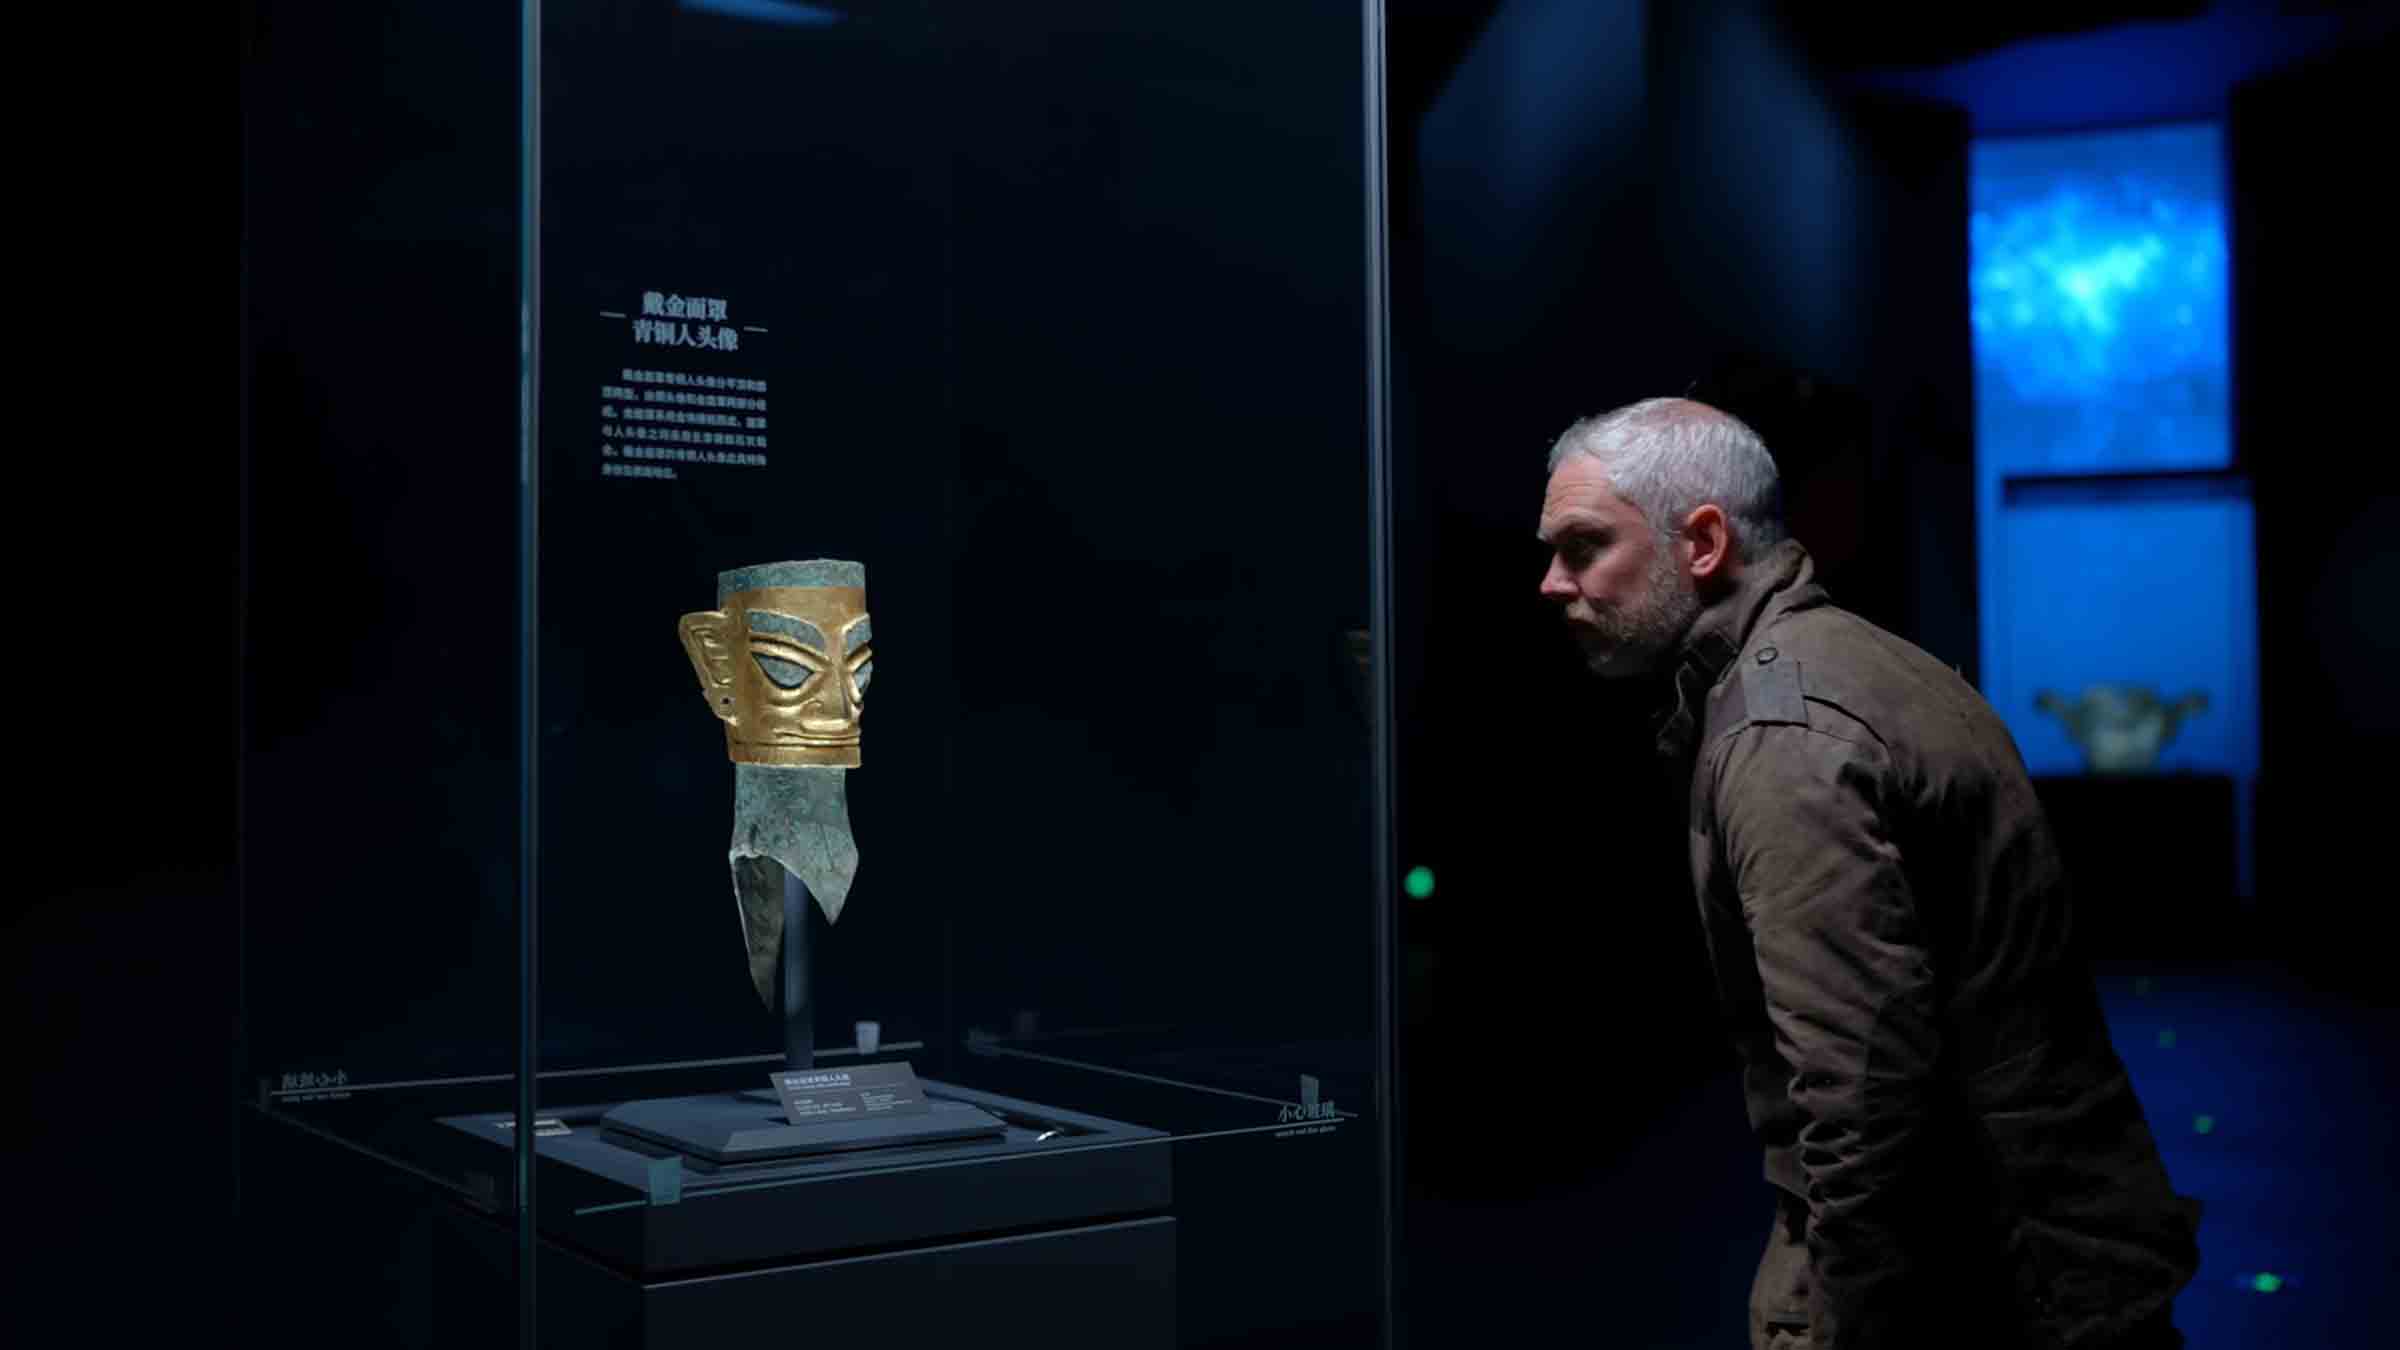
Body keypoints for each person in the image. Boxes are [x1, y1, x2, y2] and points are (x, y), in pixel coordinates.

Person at [1534, 398, 2202, 1349]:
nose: (1552, 582)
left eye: (1583, 546)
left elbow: (1861, 1100)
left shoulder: (1784, 734)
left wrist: (1847, 1327)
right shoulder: (1866, 666)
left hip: (1991, 1295)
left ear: (1705, 542)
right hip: (2056, 1262)